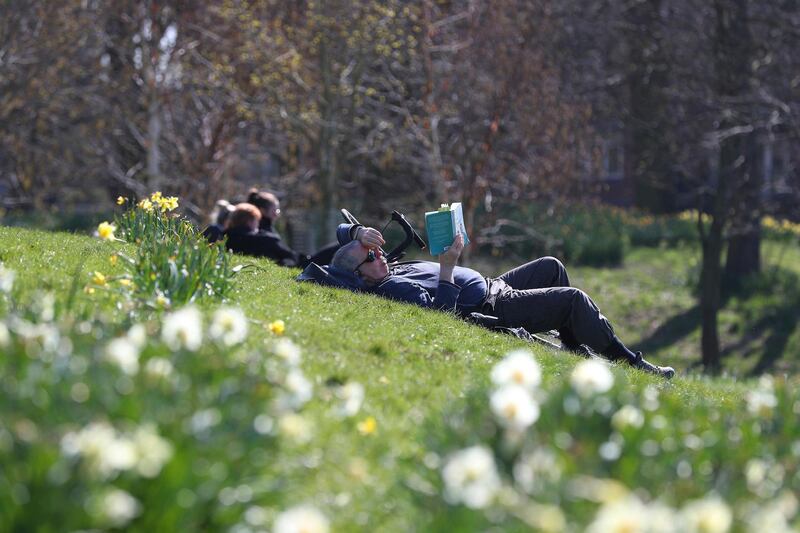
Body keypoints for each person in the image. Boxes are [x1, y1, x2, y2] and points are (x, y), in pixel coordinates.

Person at [329, 223, 675, 378]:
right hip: (490, 307)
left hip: (495, 285)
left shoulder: (386, 268)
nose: (380, 255)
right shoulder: (390, 289)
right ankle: (631, 362)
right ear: (359, 274)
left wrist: (359, 234)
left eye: (377, 250)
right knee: (573, 300)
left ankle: (574, 348)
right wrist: (448, 267)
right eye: (371, 256)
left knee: (551, 266)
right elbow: (441, 312)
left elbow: (340, 235)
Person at [245, 188, 340, 267]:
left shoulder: (261, 229)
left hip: (298, 261)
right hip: (299, 264)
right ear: (263, 211)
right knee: (339, 245)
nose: (277, 214)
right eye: (276, 210)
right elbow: (284, 254)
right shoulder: (263, 233)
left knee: (337, 246)